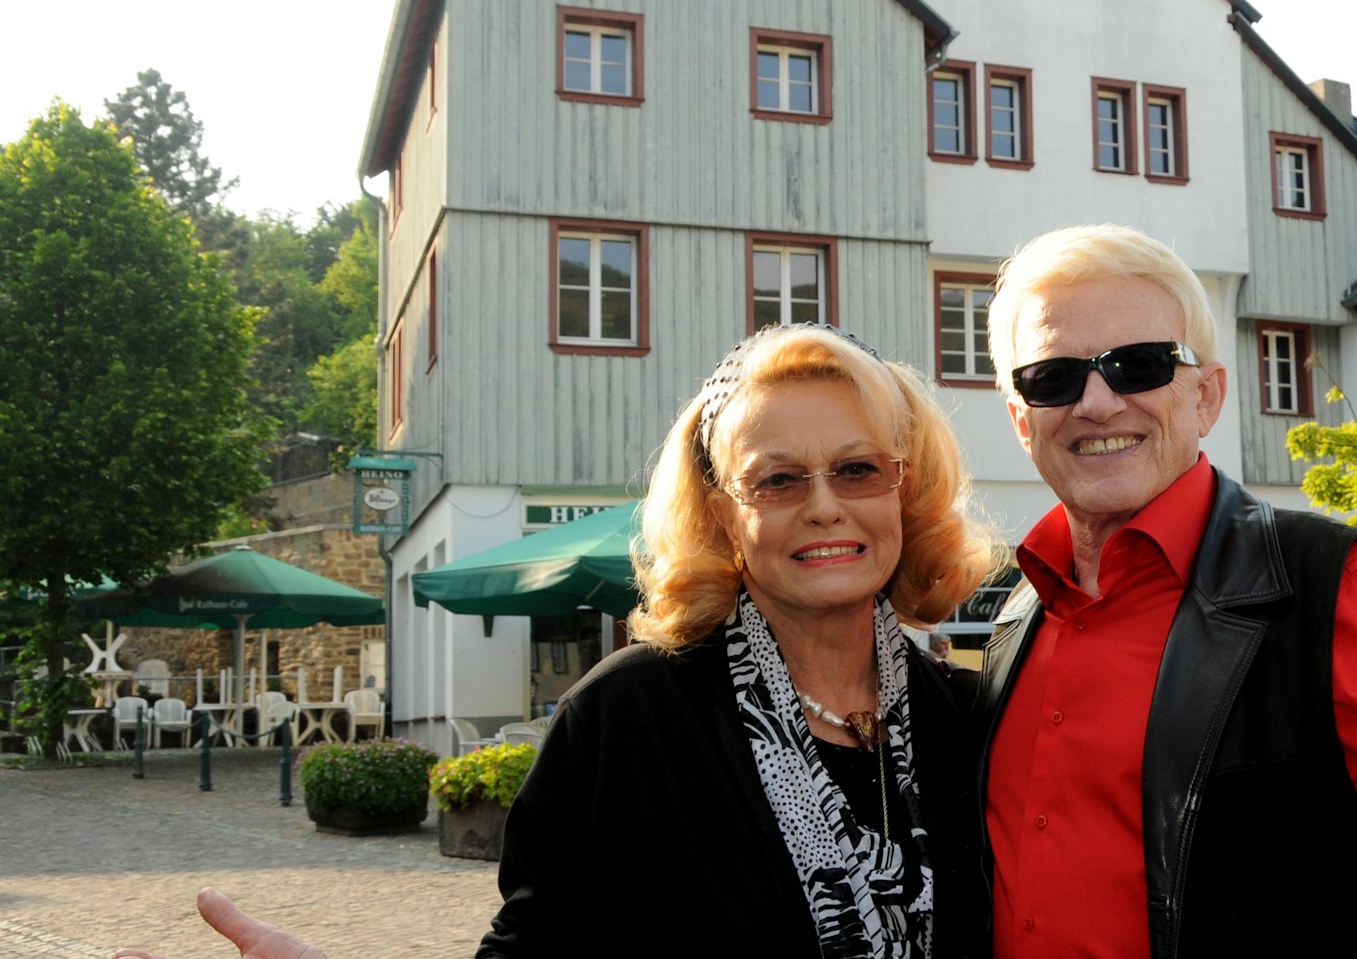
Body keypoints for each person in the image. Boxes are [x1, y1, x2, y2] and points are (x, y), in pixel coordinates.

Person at [117, 324, 998, 958]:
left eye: (857, 468)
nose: (824, 504)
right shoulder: (630, 717)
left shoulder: (971, 717)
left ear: (901, 490)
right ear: (725, 517)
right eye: (776, 479)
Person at [977, 224, 1357, 957]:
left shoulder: (1330, 584)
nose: (1099, 403)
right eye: (1054, 377)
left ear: (1206, 396)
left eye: (1138, 365)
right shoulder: (1016, 618)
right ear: (1021, 419)